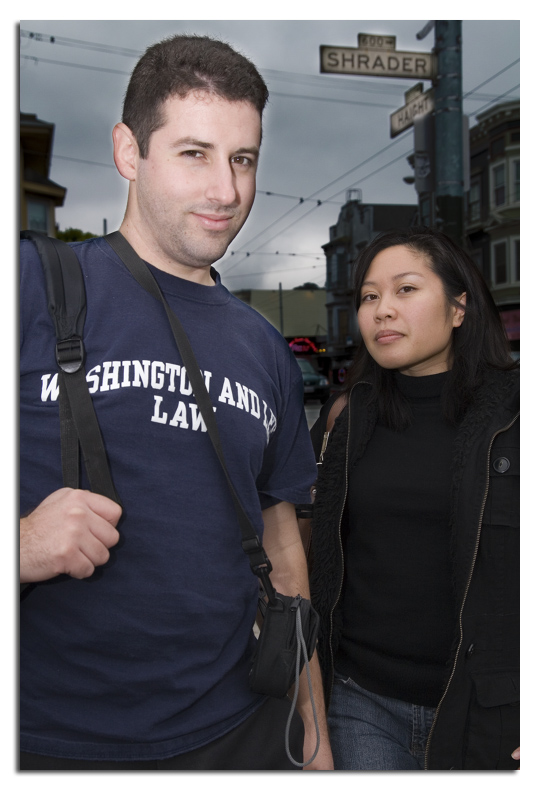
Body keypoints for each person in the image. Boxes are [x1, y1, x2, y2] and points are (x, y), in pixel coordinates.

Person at [20, 34, 333, 771]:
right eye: (195, 153)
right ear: (129, 152)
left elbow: (283, 547)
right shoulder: (31, 285)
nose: (227, 190)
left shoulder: (264, 347)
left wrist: (314, 736)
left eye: (244, 159)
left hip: (240, 733)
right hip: (46, 742)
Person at [304, 227, 519, 770]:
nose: (381, 310)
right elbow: (311, 552)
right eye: (370, 297)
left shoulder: (517, 416)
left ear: (458, 308)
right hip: (362, 700)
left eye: (405, 290)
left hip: (490, 707)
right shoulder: (344, 419)